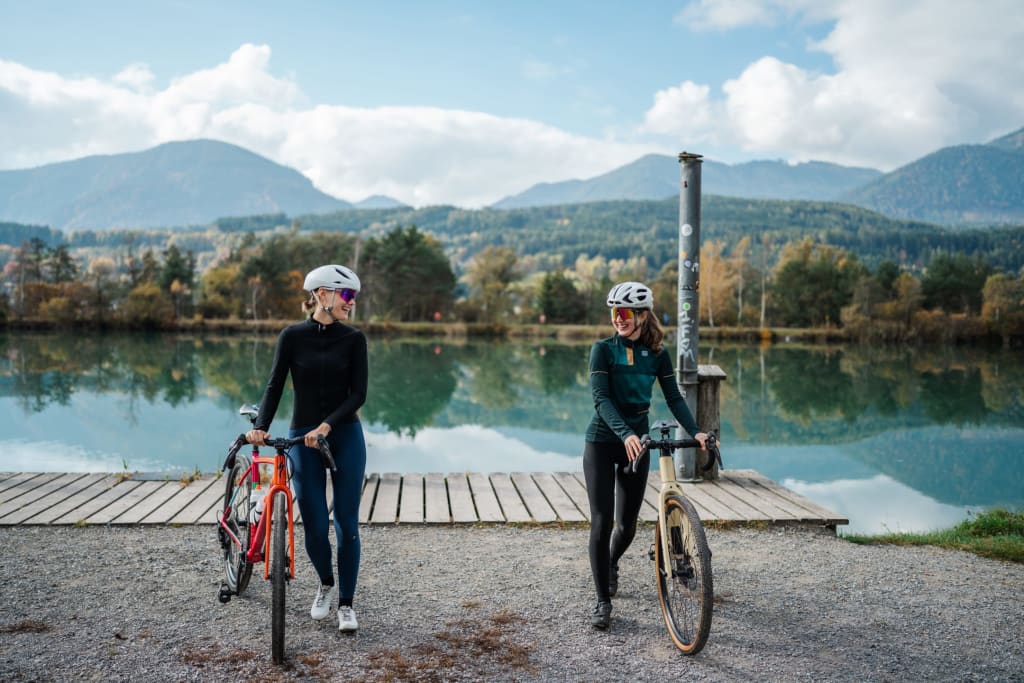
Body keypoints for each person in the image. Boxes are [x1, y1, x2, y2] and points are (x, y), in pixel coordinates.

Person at [245, 264, 368, 633]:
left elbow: (358, 394)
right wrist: (261, 427)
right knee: (314, 524)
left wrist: (328, 425)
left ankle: (346, 603)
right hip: (303, 436)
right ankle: (326, 584)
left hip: (344, 435)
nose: (351, 303)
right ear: (321, 295)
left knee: (345, 523)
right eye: (346, 295)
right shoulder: (292, 336)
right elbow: (274, 385)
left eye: (354, 297)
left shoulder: (354, 339)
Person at [583, 281, 708, 630]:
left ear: (641, 316)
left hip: (637, 442)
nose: (618, 319)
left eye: (625, 313)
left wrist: (695, 431)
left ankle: (611, 562)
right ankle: (602, 601)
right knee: (602, 521)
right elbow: (601, 400)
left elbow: (674, 398)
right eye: (615, 313)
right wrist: (625, 435)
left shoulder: (657, 354)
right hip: (603, 441)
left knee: (627, 525)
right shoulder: (602, 350)